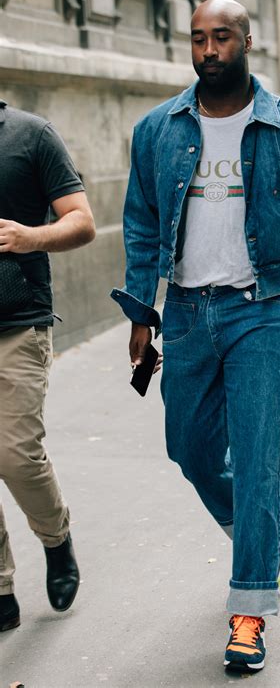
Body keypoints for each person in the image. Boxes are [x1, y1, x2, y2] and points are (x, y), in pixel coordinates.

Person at [112, 0, 280, 673]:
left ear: (248, 41)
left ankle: (248, 612)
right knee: (186, 444)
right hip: (185, 312)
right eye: (198, 39)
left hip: (262, 309)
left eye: (222, 37)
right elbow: (142, 224)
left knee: (261, 455)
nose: (209, 50)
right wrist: (140, 314)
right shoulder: (158, 129)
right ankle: (255, 532)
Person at [0, 100, 96, 631]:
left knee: (14, 453)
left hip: (18, 322)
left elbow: (82, 222)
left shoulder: (31, 135)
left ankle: (56, 540)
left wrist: (29, 236)